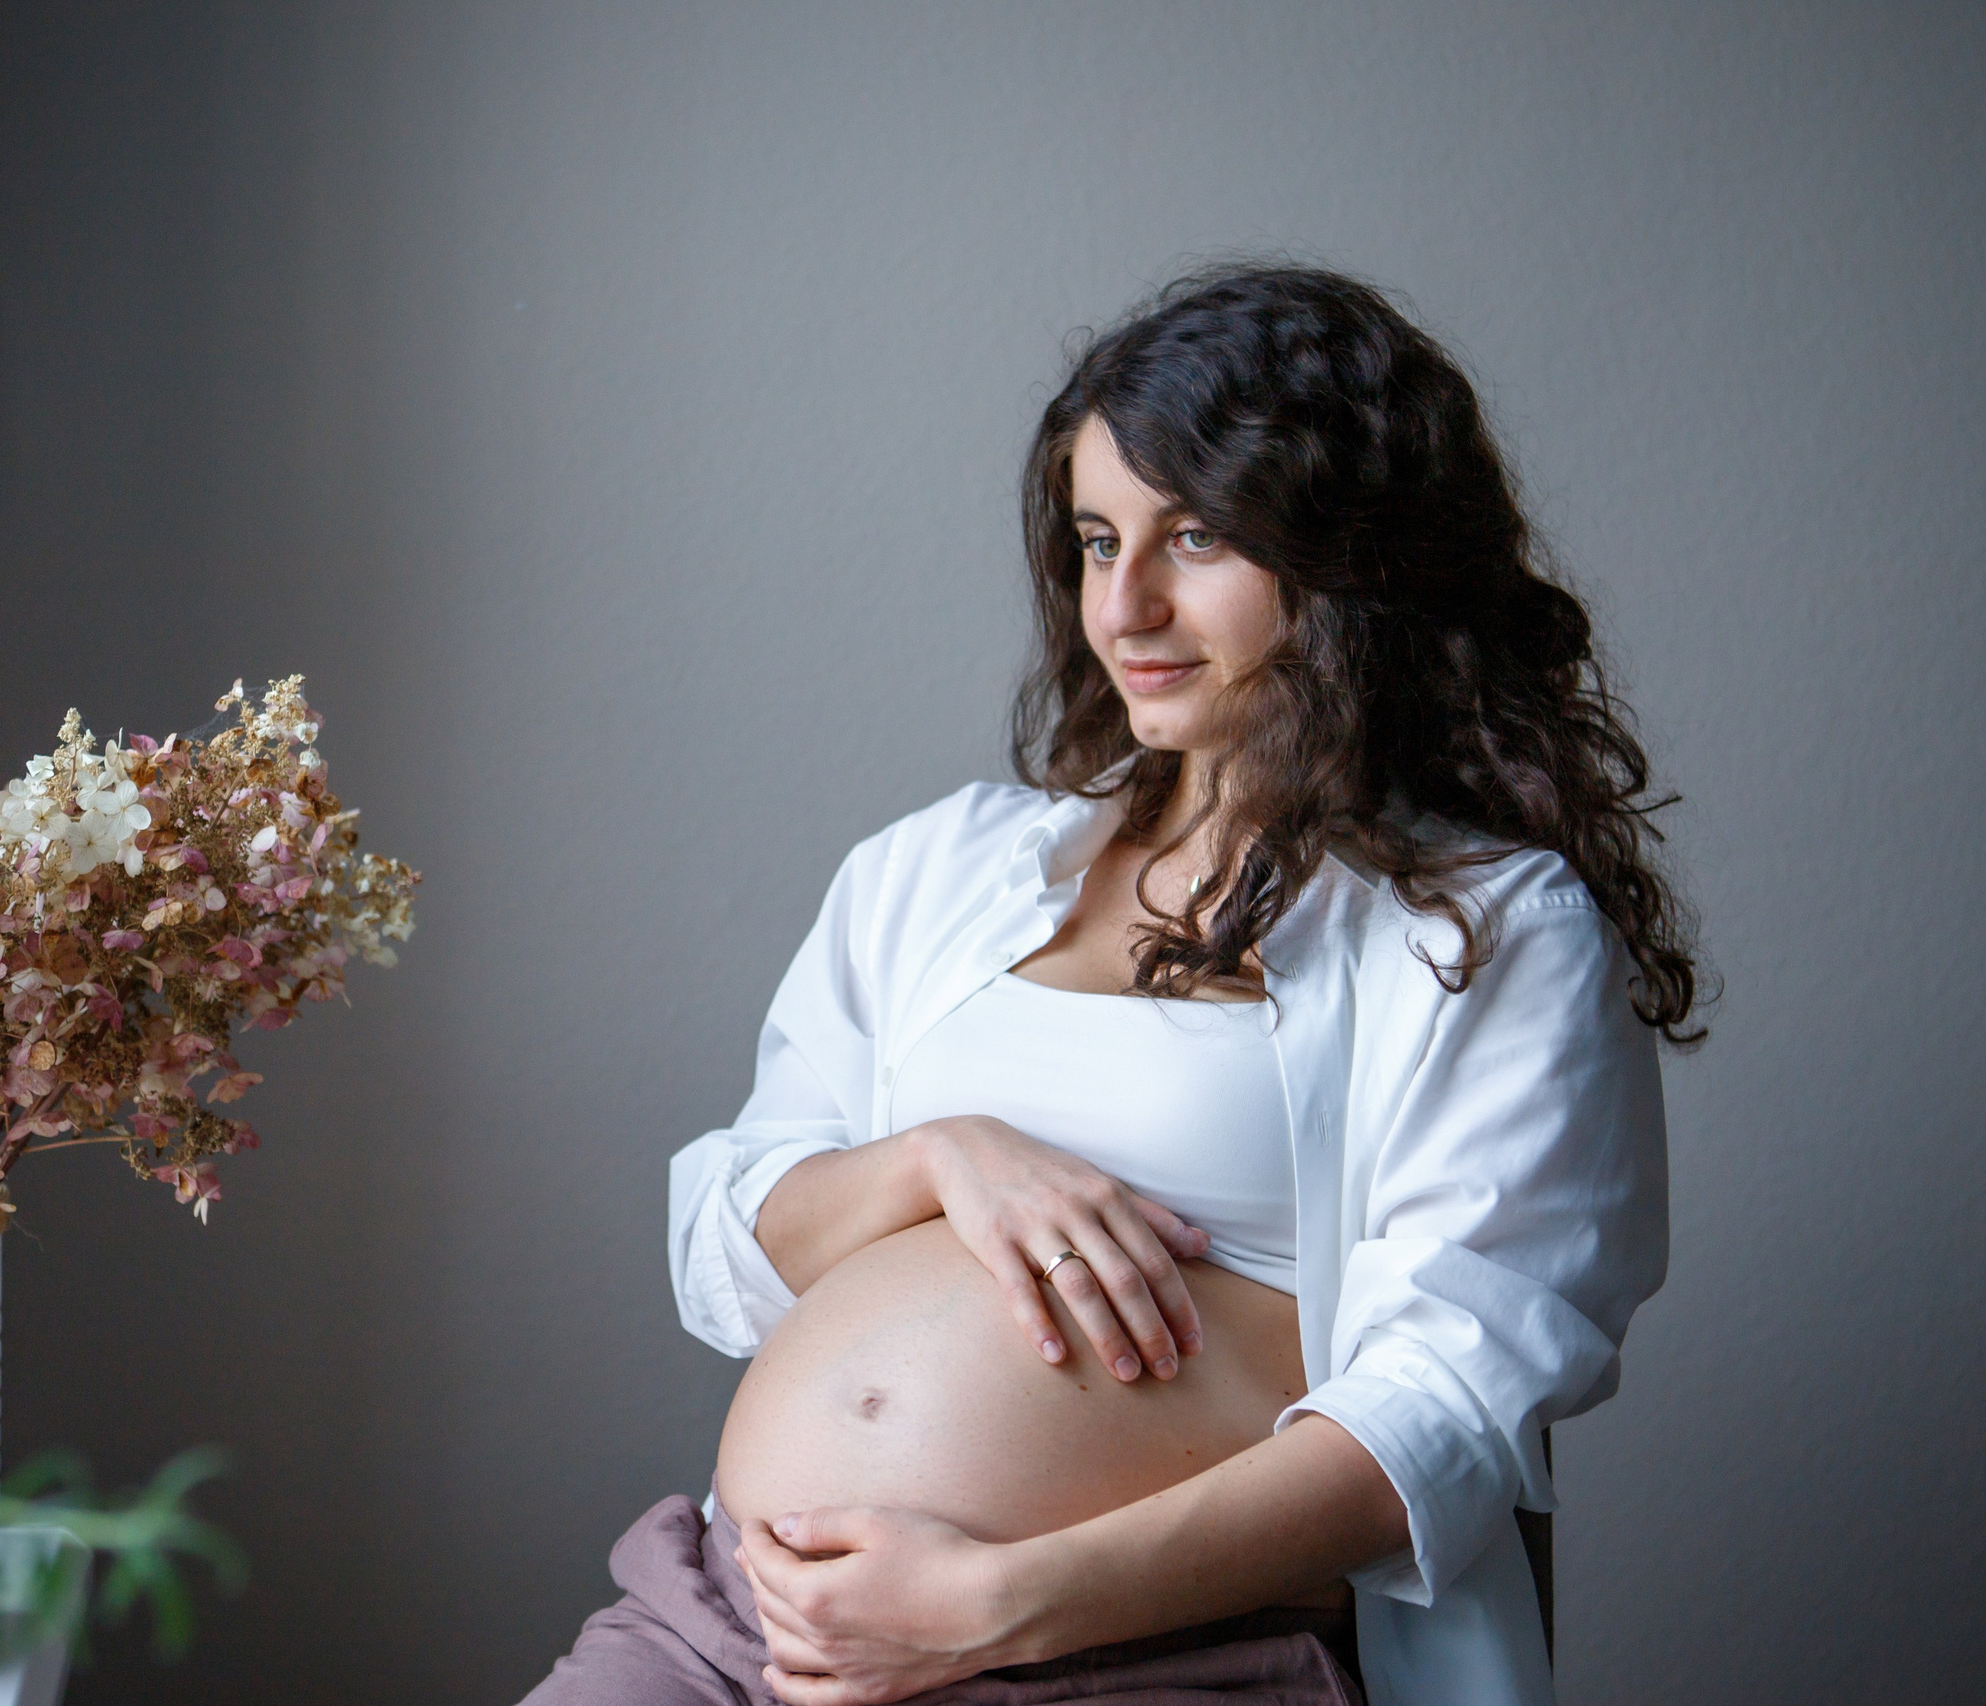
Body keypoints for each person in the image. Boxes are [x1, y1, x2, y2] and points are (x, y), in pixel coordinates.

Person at [520, 265, 1695, 1706]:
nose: (1124, 604)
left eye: (1194, 535)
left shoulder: (1484, 930)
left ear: (1352, 558)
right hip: (728, 1616)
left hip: (1127, 1657)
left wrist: (996, 1603)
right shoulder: (942, 868)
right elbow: (729, 1230)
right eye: (1094, 538)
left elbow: (1441, 1422)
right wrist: (945, 1160)